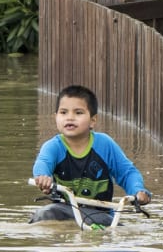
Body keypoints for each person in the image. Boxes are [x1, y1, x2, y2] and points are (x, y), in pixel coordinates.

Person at [29, 84, 151, 225]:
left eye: (78, 113)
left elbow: (127, 173)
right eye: (63, 112)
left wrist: (138, 191)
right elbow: (42, 163)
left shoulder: (105, 144)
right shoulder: (53, 147)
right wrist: (43, 177)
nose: (70, 118)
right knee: (44, 215)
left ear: (93, 120)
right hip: (62, 212)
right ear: (55, 117)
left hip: (101, 216)